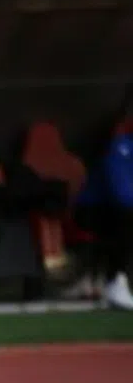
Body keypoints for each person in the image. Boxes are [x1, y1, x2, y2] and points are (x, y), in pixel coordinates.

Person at [73, 132, 133, 310]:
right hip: (92, 209)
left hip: (118, 208)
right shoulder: (120, 148)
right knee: (127, 220)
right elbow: (121, 192)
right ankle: (116, 281)